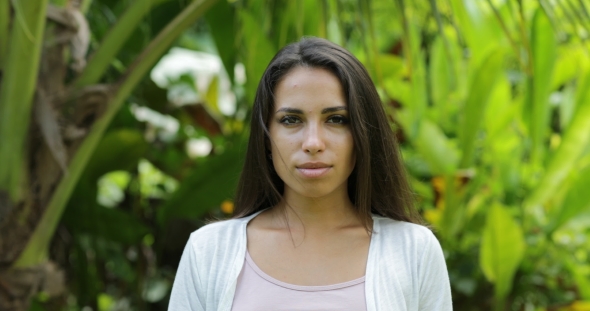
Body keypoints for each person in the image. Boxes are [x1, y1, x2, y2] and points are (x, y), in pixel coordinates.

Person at [168, 37, 452, 311]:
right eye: (291, 120)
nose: (313, 143)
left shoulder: (413, 251)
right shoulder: (209, 252)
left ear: (363, 134)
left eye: (336, 119)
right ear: (266, 137)